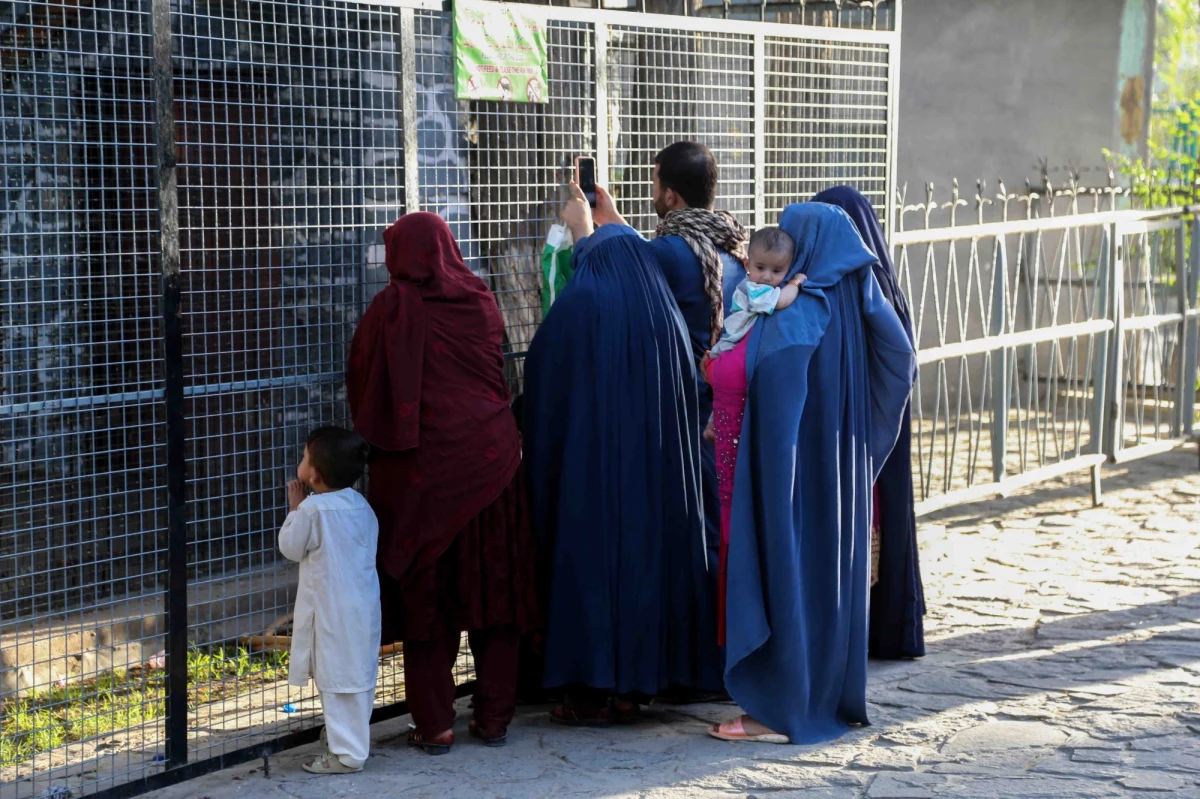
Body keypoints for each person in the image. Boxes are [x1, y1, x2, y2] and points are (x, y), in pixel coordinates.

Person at [710, 203, 916, 745]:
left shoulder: (799, 315)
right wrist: (863, 443)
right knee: (832, 584)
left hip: (792, 480)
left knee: (789, 578)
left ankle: (777, 713)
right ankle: (829, 696)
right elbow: (900, 362)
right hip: (842, 474)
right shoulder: (860, 294)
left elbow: (771, 398)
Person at [523, 183, 721, 725]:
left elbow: (541, 381)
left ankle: (587, 692)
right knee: (646, 574)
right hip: (655, 479)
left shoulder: (582, 301)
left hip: (591, 476)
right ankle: (637, 689)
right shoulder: (664, 313)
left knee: (590, 572)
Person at [346, 212, 538, 755]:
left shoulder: (391, 309)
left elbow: (363, 380)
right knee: (494, 592)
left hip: (424, 478)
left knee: (428, 602)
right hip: (492, 466)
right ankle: (496, 717)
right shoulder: (478, 298)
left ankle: (435, 725)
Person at [591, 141, 741, 699]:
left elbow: (626, 273)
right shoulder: (727, 247)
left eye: (656, 184)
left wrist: (597, 230)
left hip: (684, 418)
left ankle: (699, 668)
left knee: (693, 541)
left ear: (670, 194)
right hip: (722, 413)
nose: (653, 193)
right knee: (720, 536)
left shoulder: (672, 252)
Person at [812, 185, 925, 660]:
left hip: (860, 426)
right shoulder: (885, 289)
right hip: (880, 429)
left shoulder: (857, 290)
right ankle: (883, 626)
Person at [700, 227, 805, 648]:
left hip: (724, 358)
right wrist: (793, 285)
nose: (766, 277)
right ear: (747, 264)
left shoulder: (747, 286)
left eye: (776, 271)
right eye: (760, 268)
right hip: (725, 356)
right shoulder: (757, 292)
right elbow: (781, 302)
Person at [280, 426, 380, 775]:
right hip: (362, 606)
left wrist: (294, 509)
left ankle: (348, 755)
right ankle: (347, 737)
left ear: (315, 474)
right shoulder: (360, 504)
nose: (301, 461)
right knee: (356, 673)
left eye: (305, 457)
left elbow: (291, 548)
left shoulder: (313, 510)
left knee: (336, 677)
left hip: (331, 610)